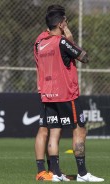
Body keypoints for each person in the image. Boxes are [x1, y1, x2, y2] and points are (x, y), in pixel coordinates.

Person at [36, 10, 104, 182]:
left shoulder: (40, 43)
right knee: (79, 129)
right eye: (65, 21)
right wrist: (69, 36)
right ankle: (82, 173)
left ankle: (56, 174)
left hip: (48, 95)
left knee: (53, 133)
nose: (66, 24)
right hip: (66, 94)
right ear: (60, 24)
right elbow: (84, 57)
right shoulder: (61, 41)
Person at [33, 5, 70, 181]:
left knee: (54, 130)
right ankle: (42, 170)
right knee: (45, 130)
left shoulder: (48, 38)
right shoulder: (46, 38)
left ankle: (53, 170)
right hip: (51, 89)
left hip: (53, 89)